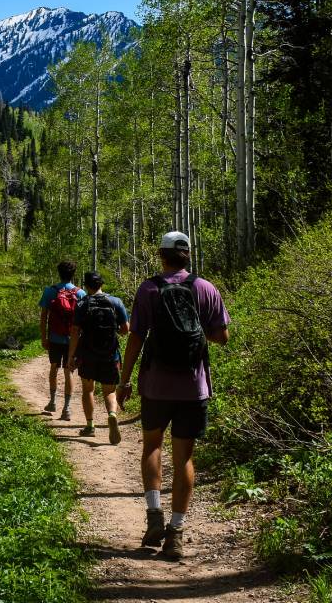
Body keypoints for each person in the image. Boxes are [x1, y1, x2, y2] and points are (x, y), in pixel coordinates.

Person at [116, 231, 230, 560]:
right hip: (194, 388)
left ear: (161, 255)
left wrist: (124, 382)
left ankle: (154, 517)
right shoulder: (205, 288)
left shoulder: (149, 289)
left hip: (155, 385)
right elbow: (222, 336)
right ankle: (175, 534)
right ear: (188, 255)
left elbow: (135, 339)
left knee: (152, 445)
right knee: (185, 459)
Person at [67, 270, 130, 444]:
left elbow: (74, 331)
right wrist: (115, 331)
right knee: (109, 391)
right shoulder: (116, 302)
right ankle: (112, 414)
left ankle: (90, 426)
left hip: (87, 354)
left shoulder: (82, 304)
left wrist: (71, 356)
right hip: (110, 354)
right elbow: (126, 329)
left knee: (88, 390)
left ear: (86, 286)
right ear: (101, 284)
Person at [38, 260, 85, 421]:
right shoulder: (80, 293)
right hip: (73, 340)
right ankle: (67, 409)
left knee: (53, 368)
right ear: (74, 274)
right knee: (69, 372)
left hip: (55, 338)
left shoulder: (50, 291)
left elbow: (44, 317)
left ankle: (52, 402)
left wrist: (44, 337)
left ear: (59, 273)